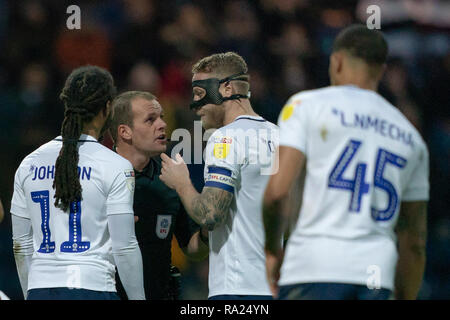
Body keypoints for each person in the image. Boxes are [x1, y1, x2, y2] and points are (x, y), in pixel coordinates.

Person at [263, 25, 429, 300]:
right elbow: (415, 241)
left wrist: (272, 251)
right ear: (381, 71)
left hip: (312, 268)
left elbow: (278, 192)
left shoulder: (305, 105)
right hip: (377, 275)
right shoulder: (411, 136)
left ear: (336, 61)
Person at [10, 65, 145, 300]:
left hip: (40, 289)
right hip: (92, 288)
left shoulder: (28, 164)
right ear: (107, 107)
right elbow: (125, 247)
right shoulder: (115, 166)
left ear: (67, 105)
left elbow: (21, 245)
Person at [159, 52, 280, 300]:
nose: (194, 104)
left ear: (226, 88)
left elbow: (210, 214)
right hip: (277, 287)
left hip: (237, 288)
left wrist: (181, 183)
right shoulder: (281, 136)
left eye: (201, 94)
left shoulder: (225, 138)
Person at [110, 90, 209, 300]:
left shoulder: (171, 176)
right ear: (125, 131)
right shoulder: (98, 176)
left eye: (162, 117)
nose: (162, 124)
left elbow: (194, 249)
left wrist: (209, 231)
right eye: (150, 120)